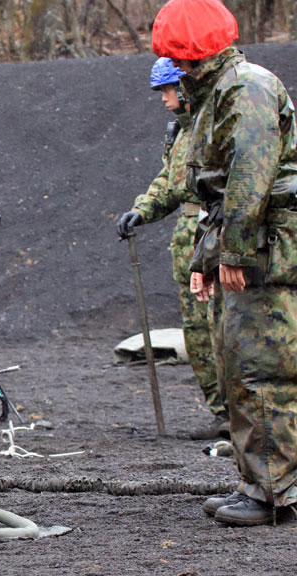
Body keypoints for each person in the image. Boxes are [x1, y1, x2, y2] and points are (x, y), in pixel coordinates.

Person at [152, 0, 297, 526]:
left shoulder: (245, 87)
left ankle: (275, 492)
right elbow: (211, 190)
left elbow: (250, 177)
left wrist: (234, 251)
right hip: (249, 240)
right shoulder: (218, 90)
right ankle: (257, 482)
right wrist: (206, 257)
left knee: (263, 367)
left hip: (266, 247)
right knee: (239, 364)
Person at [115, 57, 228, 441]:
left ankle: (243, 412)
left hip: (219, 236)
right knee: (198, 333)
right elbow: (170, 180)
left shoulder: (215, 123)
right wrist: (141, 210)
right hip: (189, 244)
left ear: (185, 87)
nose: (164, 99)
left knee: (225, 329)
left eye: (167, 90)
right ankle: (223, 413)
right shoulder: (181, 132)